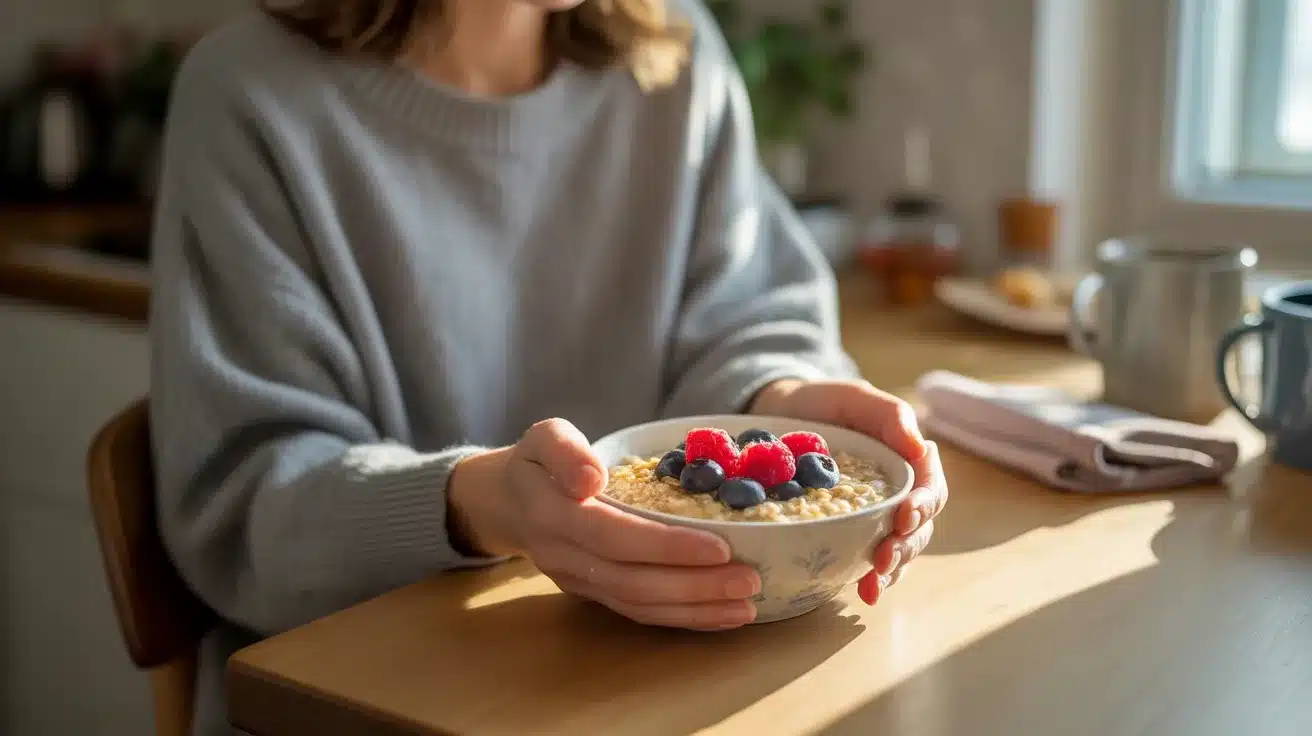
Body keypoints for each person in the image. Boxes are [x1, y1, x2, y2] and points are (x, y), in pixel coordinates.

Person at [148, 0, 948, 732]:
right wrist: (482, 506)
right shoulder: (249, 97)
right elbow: (247, 506)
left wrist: (786, 400)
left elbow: (748, 316)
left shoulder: (675, 60)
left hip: (663, 694)